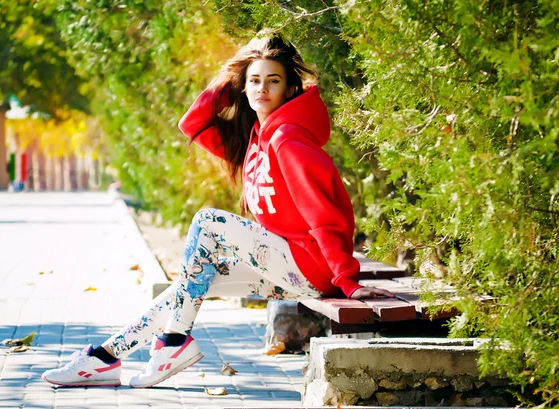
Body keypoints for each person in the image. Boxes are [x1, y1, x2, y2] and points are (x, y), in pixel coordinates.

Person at [41, 34, 394, 388]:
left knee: (208, 222)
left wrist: (347, 280)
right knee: (189, 287)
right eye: (254, 81)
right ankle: (104, 358)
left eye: (273, 81)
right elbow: (193, 123)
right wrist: (234, 75)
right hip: (288, 263)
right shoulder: (256, 137)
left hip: (311, 266)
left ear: (289, 90)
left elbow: (323, 213)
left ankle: (174, 343)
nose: (262, 89)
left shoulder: (287, 139)